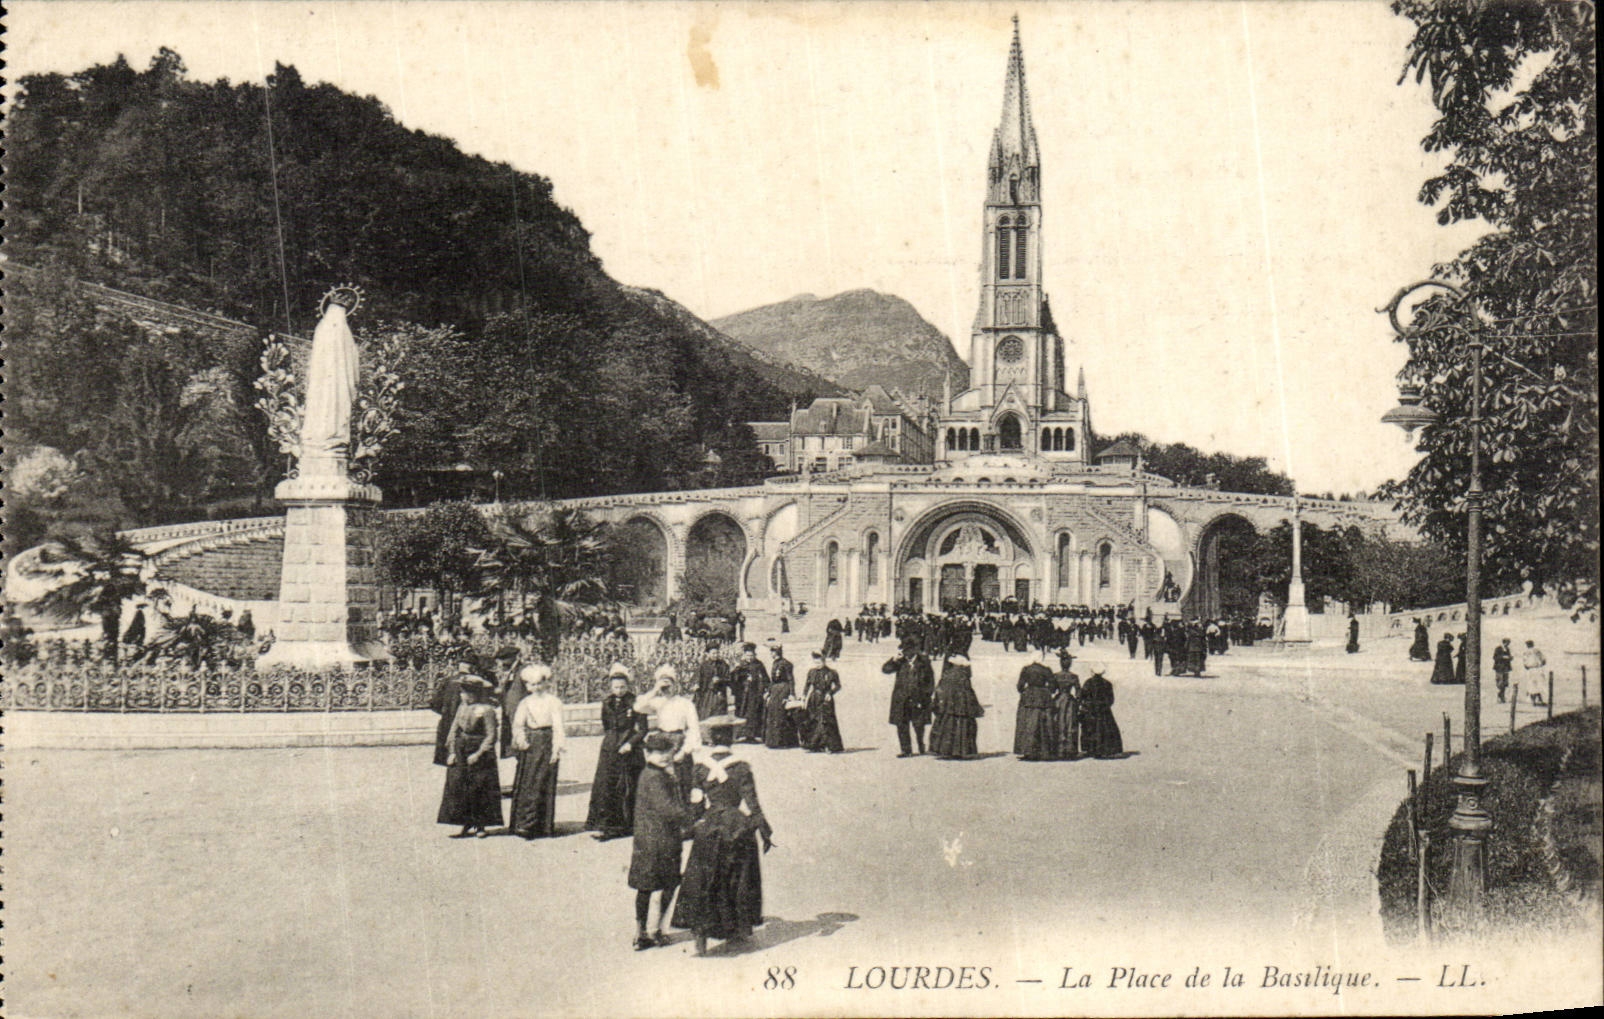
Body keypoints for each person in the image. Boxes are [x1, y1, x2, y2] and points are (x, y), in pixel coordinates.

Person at [673, 740, 775, 956]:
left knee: (704, 879)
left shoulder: (700, 769)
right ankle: (738, 928)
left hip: (710, 827)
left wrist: (690, 828)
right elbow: (752, 803)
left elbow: (696, 803)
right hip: (736, 825)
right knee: (739, 877)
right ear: (730, 740)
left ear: (711, 742)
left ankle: (700, 937)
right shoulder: (741, 768)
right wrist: (764, 831)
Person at [629, 732, 693, 950]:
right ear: (647, 753)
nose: (664, 757)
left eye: (667, 752)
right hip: (660, 841)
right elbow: (667, 809)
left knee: (647, 887)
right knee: (664, 885)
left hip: (649, 841)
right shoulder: (655, 777)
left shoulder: (653, 773)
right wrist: (691, 818)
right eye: (658, 753)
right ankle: (652, 931)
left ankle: (643, 932)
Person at [437, 674, 504, 837]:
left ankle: (481, 825)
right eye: (462, 693)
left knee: (480, 787)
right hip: (461, 749)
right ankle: (465, 822)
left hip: (480, 752)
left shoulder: (487, 710)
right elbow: (453, 730)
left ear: (474, 694)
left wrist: (479, 753)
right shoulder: (462, 707)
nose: (463, 696)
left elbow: (491, 736)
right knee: (459, 786)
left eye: (466, 693)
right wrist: (451, 752)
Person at [587, 664, 646, 839]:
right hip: (610, 747)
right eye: (615, 687)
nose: (619, 690)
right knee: (607, 784)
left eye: (622, 687)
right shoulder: (607, 703)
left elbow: (643, 729)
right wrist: (612, 741)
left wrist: (630, 743)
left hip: (629, 748)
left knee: (627, 785)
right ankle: (606, 824)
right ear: (611, 687)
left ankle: (628, 824)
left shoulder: (636, 702)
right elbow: (607, 725)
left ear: (628, 686)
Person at [508, 664, 565, 839]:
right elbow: (518, 724)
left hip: (546, 742)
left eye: (539, 683)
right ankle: (524, 824)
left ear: (546, 683)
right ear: (527, 686)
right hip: (531, 745)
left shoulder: (553, 702)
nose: (536, 688)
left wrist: (557, 749)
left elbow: (558, 727)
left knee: (544, 782)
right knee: (528, 782)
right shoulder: (525, 702)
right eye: (531, 685)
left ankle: (542, 825)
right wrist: (521, 740)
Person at [636, 665, 703, 803]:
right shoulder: (658, 702)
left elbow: (694, 729)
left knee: (681, 782)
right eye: (663, 683)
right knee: (661, 781)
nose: (667, 688)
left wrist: (684, 751)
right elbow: (638, 707)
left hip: (679, 742)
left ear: (675, 685)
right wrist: (655, 690)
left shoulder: (685, 703)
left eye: (669, 683)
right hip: (662, 743)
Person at [883, 636, 934, 757]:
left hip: (918, 699)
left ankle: (921, 746)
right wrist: (894, 660)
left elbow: (930, 681)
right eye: (903, 650)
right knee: (901, 724)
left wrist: (925, 697)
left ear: (915, 650)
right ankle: (906, 750)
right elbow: (885, 670)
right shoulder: (899, 662)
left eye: (907, 650)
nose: (905, 653)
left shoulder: (924, 662)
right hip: (902, 698)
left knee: (919, 724)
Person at [928, 653, 983, 759]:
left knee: (946, 727)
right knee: (962, 728)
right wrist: (974, 706)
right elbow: (968, 692)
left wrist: (938, 703)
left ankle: (944, 750)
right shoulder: (963, 676)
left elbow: (939, 690)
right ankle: (959, 751)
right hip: (961, 707)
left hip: (947, 707)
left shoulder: (946, 674)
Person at [1013, 650, 1058, 761]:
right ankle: (1044, 750)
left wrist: (1025, 691)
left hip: (1029, 697)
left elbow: (1019, 686)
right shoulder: (1046, 670)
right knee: (1044, 725)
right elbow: (1053, 687)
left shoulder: (1026, 669)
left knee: (1027, 723)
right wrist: (1046, 691)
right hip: (1043, 697)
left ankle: (1028, 750)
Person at [428, 661, 473, 767]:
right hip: (466, 721)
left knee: (451, 756)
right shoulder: (472, 682)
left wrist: (445, 712)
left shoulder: (448, 681)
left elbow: (434, 702)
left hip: (448, 719)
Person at [693, 643, 735, 746]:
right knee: (705, 715)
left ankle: (718, 739)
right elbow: (698, 677)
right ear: (707, 653)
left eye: (717, 653)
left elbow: (729, 679)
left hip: (719, 694)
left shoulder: (723, 665)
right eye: (713, 653)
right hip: (706, 694)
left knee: (718, 715)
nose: (715, 655)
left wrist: (720, 680)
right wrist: (696, 684)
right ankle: (706, 738)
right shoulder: (704, 665)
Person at [802, 650, 844, 753]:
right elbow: (807, 685)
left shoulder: (831, 672)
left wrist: (830, 693)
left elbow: (838, 686)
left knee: (826, 722)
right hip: (814, 699)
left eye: (819, 662)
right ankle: (815, 745)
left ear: (824, 660)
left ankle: (830, 746)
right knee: (813, 720)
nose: (817, 665)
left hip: (825, 699)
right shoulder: (811, 672)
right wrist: (804, 697)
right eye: (815, 662)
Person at [1078, 670, 1123, 759]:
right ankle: (1106, 749)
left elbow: (1082, 696)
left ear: (1092, 672)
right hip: (1104, 710)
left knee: (1088, 729)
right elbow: (1111, 700)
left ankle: (1090, 749)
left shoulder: (1088, 682)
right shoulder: (1107, 683)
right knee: (1107, 728)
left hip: (1090, 711)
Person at [763, 643, 800, 749]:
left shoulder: (786, 664)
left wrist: (792, 693)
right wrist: (768, 692)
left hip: (783, 689)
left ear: (777, 652)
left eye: (772, 652)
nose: (771, 653)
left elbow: (790, 679)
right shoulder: (775, 663)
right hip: (775, 690)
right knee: (773, 714)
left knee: (781, 715)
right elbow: (773, 680)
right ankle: (774, 741)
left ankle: (784, 741)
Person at [731, 643, 769, 744]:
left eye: (751, 655)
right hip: (743, 694)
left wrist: (759, 684)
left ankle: (751, 735)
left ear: (755, 655)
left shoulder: (758, 664)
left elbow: (765, 678)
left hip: (754, 693)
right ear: (744, 655)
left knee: (753, 713)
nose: (750, 658)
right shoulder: (741, 665)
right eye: (748, 655)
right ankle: (741, 735)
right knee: (742, 712)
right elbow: (734, 678)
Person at [493, 645, 527, 759]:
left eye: (503, 660)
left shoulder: (523, 670)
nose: (501, 664)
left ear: (512, 658)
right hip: (510, 713)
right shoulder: (511, 671)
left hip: (521, 714)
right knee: (515, 745)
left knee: (522, 743)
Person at [1053, 651, 1081, 760]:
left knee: (1058, 722)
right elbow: (1078, 691)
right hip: (1069, 701)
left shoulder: (1056, 676)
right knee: (1070, 724)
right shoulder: (1074, 676)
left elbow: (1052, 689)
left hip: (1059, 700)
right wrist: (1077, 702)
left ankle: (1058, 749)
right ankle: (1070, 750)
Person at [1522, 639, 1548, 706]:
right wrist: (1540, 665)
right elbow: (1544, 661)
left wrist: (1528, 666)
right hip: (1538, 669)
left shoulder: (1525, 652)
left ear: (1527, 645)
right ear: (1533, 644)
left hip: (1530, 670)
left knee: (1532, 685)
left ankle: (1534, 701)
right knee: (1539, 684)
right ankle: (1539, 700)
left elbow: (1525, 664)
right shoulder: (1537, 651)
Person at [1492, 638, 1514, 704]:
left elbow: (1509, 657)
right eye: (1507, 643)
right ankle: (1499, 696)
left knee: (1505, 683)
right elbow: (1494, 657)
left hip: (1506, 668)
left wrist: (1510, 658)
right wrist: (1503, 657)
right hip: (1499, 668)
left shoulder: (1507, 649)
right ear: (1504, 642)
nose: (1508, 645)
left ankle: (1502, 696)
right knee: (1500, 683)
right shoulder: (1498, 648)